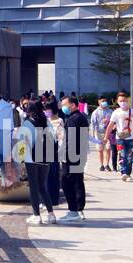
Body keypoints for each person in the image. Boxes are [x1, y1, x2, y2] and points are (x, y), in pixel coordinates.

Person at [20, 98, 57, 225]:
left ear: (29, 110)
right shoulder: (46, 121)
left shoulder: (28, 122)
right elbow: (54, 138)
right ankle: (51, 214)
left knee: (34, 187)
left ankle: (37, 215)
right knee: (43, 186)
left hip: (32, 157)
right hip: (46, 156)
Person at [58, 95, 89, 223]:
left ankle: (73, 210)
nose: (63, 107)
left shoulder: (73, 119)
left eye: (65, 104)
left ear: (73, 105)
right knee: (78, 182)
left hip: (72, 156)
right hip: (79, 154)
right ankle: (78, 209)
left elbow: (71, 140)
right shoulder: (81, 117)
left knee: (67, 181)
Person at [105, 91, 133, 181]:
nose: (123, 102)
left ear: (127, 100)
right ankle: (123, 173)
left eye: (124, 100)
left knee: (129, 156)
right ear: (117, 101)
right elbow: (110, 125)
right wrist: (106, 136)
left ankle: (128, 173)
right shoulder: (116, 112)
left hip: (130, 138)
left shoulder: (132, 112)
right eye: (121, 100)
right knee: (122, 155)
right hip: (120, 138)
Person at [91, 98, 114, 171]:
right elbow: (93, 124)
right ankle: (101, 165)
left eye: (105, 101)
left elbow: (114, 121)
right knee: (100, 149)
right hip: (99, 133)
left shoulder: (110, 111)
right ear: (99, 103)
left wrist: (109, 121)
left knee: (108, 148)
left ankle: (107, 164)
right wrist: (93, 135)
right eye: (102, 101)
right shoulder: (96, 112)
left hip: (108, 132)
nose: (104, 102)